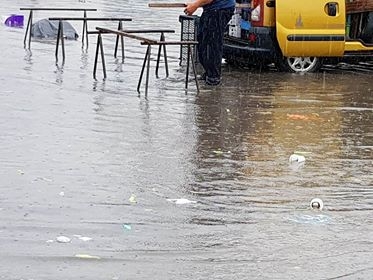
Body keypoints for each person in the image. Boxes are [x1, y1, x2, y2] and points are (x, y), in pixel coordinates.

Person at [184, 0, 235, 86]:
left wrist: (195, 5)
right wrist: (194, 4)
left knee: (212, 44)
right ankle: (209, 72)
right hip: (212, 9)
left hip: (220, 9)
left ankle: (214, 77)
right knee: (202, 42)